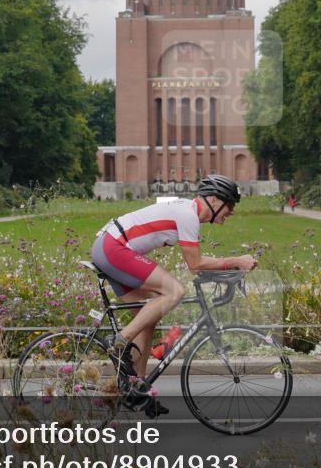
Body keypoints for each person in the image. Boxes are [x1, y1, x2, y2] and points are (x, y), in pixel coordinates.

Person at [91, 175, 256, 416]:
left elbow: (197, 262)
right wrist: (237, 261)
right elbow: (196, 264)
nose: (231, 212)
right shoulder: (189, 215)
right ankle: (118, 343)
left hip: (110, 246)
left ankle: (137, 389)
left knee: (148, 317)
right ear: (213, 199)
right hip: (113, 248)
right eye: (229, 204)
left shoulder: (187, 211)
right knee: (175, 290)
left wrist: (230, 267)